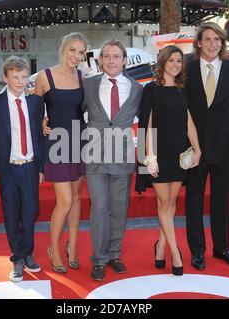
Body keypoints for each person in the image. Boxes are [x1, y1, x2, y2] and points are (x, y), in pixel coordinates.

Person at [184, 22, 229, 271]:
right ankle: (197, 251)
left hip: (226, 146)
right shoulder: (187, 70)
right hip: (194, 148)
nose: (213, 44)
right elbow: (183, 110)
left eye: (217, 40)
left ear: (222, 43)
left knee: (221, 201)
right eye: (208, 39)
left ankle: (223, 248)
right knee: (193, 201)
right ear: (199, 43)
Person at [135, 45, 201, 276]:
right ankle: (175, 251)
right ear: (162, 62)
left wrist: (197, 148)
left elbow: (189, 121)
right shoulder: (151, 90)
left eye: (179, 61)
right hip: (157, 154)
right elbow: (146, 125)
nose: (176, 64)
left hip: (179, 153)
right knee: (164, 203)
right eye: (172, 60)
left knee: (172, 203)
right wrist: (149, 159)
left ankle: (161, 245)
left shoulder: (183, 89)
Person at [84, 39, 143, 281]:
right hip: (95, 156)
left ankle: (115, 254)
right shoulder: (87, 85)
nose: (111, 60)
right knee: (99, 208)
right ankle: (99, 259)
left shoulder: (137, 89)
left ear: (124, 60)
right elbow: (72, 113)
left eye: (116, 56)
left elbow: (149, 120)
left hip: (123, 156)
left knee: (119, 209)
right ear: (100, 60)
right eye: (106, 56)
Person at [0, 56, 44, 282]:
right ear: (6, 78)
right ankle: (17, 257)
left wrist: (40, 166)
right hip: (7, 168)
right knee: (11, 213)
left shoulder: (35, 102)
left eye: (23, 77)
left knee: (30, 212)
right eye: (15, 77)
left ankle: (28, 252)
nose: (20, 81)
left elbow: (38, 135)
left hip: (29, 166)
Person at [35, 32, 88, 273]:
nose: (76, 56)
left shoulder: (82, 77)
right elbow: (33, 114)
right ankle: (54, 249)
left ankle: (73, 248)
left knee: (76, 199)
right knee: (65, 202)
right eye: (73, 50)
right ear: (64, 49)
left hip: (79, 141)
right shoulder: (44, 77)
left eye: (81, 52)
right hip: (56, 143)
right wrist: (42, 122)